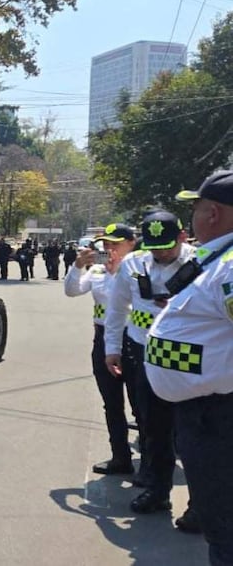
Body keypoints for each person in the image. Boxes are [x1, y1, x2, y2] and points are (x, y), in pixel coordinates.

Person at [146, 171, 233, 551]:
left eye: (195, 208)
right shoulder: (216, 259)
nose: (192, 217)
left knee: (225, 530)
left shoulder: (230, 267)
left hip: (217, 417)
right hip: (205, 414)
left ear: (212, 213)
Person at [104, 210, 195, 519]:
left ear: (182, 237)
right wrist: (112, 349)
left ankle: (199, 504)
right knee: (153, 427)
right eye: (154, 246)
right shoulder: (133, 264)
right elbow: (116, 311)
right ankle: (158, 491)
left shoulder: (202, 263)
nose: (160, 252)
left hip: (189, 357)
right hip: (144, 352)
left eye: (167, 246)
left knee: (192, 432)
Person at [64, 223, 140, 477]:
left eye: (115, 243)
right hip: (104, 340)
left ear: (132, 243)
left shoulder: (142, 268)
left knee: (142, 404)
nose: (109, 248)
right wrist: (77, 266)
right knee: (112, 402)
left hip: (135, 340)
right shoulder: (97, 270)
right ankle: (121, 457)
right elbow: (72, 290)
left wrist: (119, 271)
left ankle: (153, 464)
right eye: (106, 244)